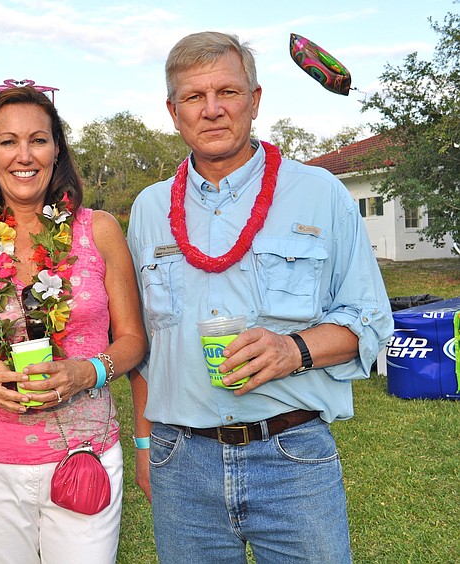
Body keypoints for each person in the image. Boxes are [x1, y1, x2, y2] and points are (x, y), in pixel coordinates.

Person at [126, 31, 394, 563]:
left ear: (255, 99)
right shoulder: (149, 209)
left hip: (291, 457)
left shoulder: (320, 193)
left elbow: (369, 320)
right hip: (180, 462)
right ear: (173, 112)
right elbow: (143, 346)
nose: (212, 110)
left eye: (227, 91)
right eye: (194, 97)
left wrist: (292, 350)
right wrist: (143, 448)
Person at [0, 85, 147, 563]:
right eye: (8, 142)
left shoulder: (99, 231)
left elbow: (133, 341)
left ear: (57, 150)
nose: (24, 155)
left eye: (38, 140)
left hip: (85, 451)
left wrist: (87, 372)